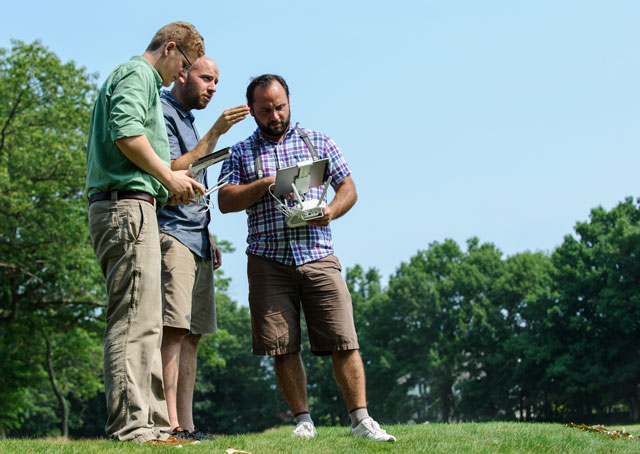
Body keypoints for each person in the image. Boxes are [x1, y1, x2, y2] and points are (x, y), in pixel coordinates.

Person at [217, 74, 396, 442]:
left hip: (318, 254)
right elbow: (225, 201)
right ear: (252, 110)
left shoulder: (317, 141)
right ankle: (303, 422)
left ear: (289, 102)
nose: (274, 115)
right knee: (282, 345)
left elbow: (348, 187)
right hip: (268, 259)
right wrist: (265, 183)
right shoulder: (240, 151)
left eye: (280, 107)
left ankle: (361, 421)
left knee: (343, 338)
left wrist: (330, 211)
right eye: (265, 110)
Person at [85, 22, 205, 444]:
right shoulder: (137, 74)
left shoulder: (146, 83)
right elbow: (126, 134)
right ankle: (131, 425)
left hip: (138, 206)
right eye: (185, 65)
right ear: (170, 48)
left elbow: (140, 155)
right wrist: (165, 179)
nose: (182, 76)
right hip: (125, 209)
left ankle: (154, 424)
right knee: (134, 318)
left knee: (149, 320)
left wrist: (171, 186)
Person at [156, 56, 250, 441]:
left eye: (217, 81)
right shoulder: (161, 110)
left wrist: (208, 232)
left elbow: (195, 186)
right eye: (206, 78)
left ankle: (187, 426)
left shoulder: (190, 121)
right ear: (181, 74)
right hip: (172, 233)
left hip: (196, 235)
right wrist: (217, 131)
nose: (213, 87)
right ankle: (168, 425)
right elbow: (172, 168)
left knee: (193, 333)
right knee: (173, 330)